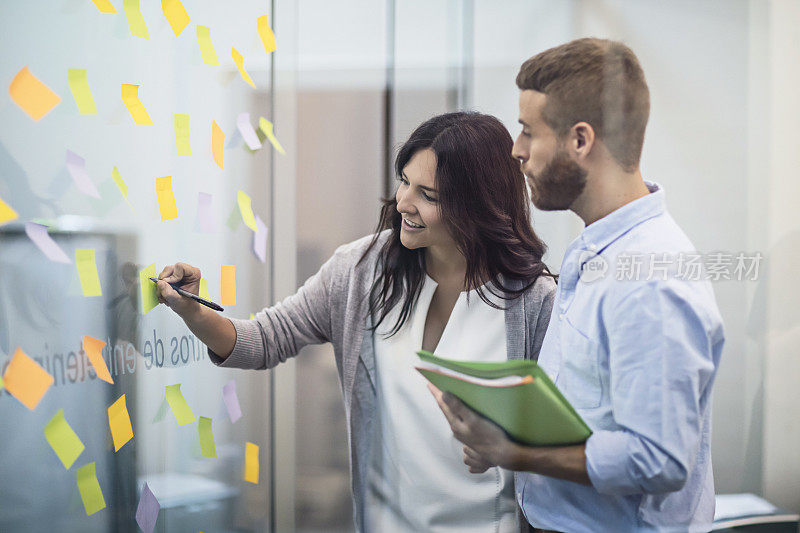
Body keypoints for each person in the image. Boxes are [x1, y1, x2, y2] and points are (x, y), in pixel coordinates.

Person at [155, 111, 557, 532]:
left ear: (478, 204)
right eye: (404, 181)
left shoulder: (535, 303)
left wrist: (510, 447)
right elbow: (265, 339)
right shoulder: (361, 270)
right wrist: (193, 310)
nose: (403, 202)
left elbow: (556, 446)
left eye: (428, 195)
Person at [432, 38, 725, 532]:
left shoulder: (650, 279)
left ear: (580, 140)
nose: (515, 151)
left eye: (527, 132)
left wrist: (515, 452)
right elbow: (593, 413)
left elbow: (656, 459)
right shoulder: (598, 250)